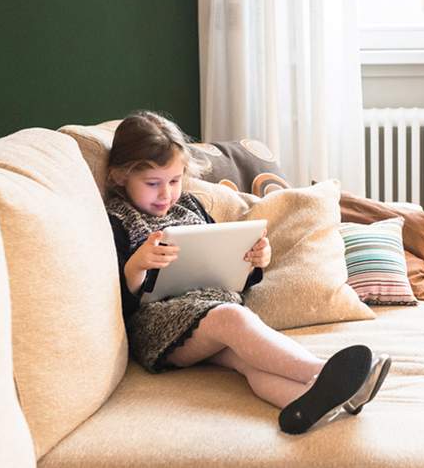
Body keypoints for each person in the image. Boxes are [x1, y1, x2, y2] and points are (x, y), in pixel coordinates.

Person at [105, 110, 391, 434]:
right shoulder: (116, 220)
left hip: (210, 312)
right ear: (119, 176)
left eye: (174, 180)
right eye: (152, 183)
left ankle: (304, 404)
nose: (166, 194)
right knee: (233, 319)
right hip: (158, 327)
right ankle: (323, 373)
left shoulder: (188, 206)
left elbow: (220, 260)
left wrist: (253, 260)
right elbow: (120, 302)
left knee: (248, 361)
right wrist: (137, 265)